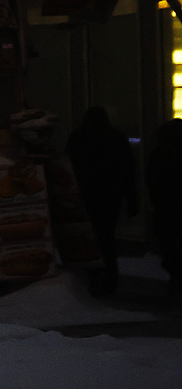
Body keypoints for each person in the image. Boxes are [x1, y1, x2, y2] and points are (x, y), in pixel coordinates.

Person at [67, 105, 140, 296]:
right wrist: (132, 199)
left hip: (86, 196)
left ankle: (93, 276)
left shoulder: (78, 138)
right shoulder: (116, 137)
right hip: (110, 195)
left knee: (88, 238)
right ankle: (109, 277)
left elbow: (69, 168)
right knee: (107, 237)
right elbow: (128, 170)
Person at [147, 118, 182, 298]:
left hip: (165, 206)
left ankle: (175, 274)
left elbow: (152, 181)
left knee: (167, 243)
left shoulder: (159, 154)